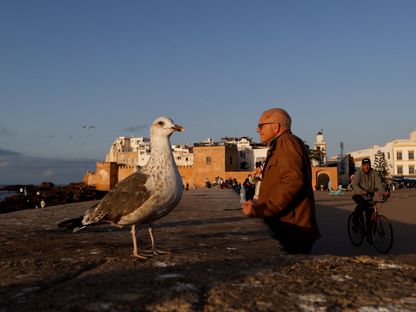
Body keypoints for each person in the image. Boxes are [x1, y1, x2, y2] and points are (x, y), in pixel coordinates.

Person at [241, 108, 321, 254]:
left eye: (261, 125)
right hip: (287, 227)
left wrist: (262, 209)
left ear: (276, 126)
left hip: (292, 229)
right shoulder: (281, 144)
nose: (257, 130)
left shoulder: (286, 143)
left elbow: (292, 182)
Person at [351, 158, 390, 235]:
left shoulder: (374, 173)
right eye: (364, 165)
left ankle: (370, 236)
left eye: (368, 165)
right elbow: (354, 185)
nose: (366, 166)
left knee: (370, 216)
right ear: (362, 166)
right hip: (358, 194)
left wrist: (383, 192)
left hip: (369, 196)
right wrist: (361, 191)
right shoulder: (358, 173)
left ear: (370, 165)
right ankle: (355, 220)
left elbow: (378, 183)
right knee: (362, 204)